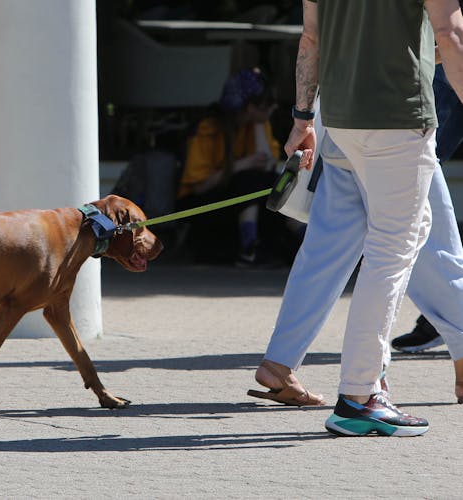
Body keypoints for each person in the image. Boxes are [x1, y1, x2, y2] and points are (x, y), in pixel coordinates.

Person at [252, 0, 463, 437]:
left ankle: (360, 385)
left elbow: (311, 38)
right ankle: (361, 394)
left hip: (341, 119)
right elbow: (450, 33)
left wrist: (302, 118)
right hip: (398, 115)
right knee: (394, 250)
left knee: (379, 241)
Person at [176, 68, 296, 267]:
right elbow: (198, 187)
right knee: (248, 181)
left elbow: (267, 165)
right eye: (266, 104)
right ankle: (248, 247)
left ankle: (302, 238)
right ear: (249, 107)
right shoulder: (208, 128)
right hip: (202, 205)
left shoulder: (256, 124)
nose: (272, 108)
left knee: (273, 184)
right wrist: (241, 165)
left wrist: (259, 124)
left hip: (239, 199)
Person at [392, 64, 463, 353]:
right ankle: (446, 313)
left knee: (417, 172)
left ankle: (447, 313)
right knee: (418, 174)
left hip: (448, 48)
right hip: (446, 54)